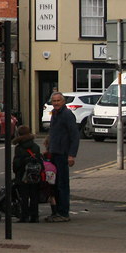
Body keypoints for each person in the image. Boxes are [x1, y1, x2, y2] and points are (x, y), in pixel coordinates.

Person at [44, 91, 79, 222]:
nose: (56, 103)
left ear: (63, 102)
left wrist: (71, 155)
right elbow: (54, 132)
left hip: (63, 154)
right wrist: (48, 146)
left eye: (58, 101)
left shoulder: (67, 114)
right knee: (54, 184)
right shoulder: (55, 114)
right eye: (54, 101)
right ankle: (57, 212)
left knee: (62, 184)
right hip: (54, 153)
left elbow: (75, 136)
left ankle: (64, 213)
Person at [11, 125, 42, 222]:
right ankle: (35, 216)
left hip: (22, 175)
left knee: (24, 197)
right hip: (34, 175)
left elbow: (16, 164)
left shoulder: (19, 148)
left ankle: (24, 216)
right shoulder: (36, 147)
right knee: (34, 196)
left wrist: (17, 172)